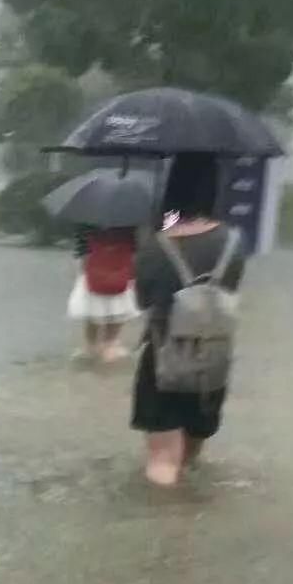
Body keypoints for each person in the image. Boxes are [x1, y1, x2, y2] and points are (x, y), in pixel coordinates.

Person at [132, 154, 246, 486]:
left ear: (172, 188)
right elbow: (228, 290)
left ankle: (166, 528)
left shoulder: (157, 245)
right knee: (190, 461)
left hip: (164, 360)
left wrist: (160, 230)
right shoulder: (234, 242)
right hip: (213, 360)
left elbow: (142, 301)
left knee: (163, 461)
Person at [68, 226, 139, 366]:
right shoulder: (130, 220)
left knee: (92, 310)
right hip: (122, 269)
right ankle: (110, 344)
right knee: (119, 308)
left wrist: (86, 270)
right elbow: (135, 249)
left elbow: (82, 252)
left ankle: (91, 346)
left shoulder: (87, 219)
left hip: (93, 271)